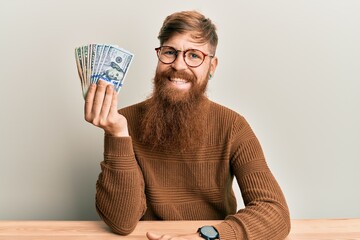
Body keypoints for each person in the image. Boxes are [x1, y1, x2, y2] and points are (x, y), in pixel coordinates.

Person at [84, 10, 291, 240]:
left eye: (194, 55)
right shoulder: (124, 122)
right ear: (159, 56)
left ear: (212, 67)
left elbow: (275, 212)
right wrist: (117, 135)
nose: (178, 65)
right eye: (170, 52)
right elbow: (121, 222)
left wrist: (207, 237)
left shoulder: (233, 126)